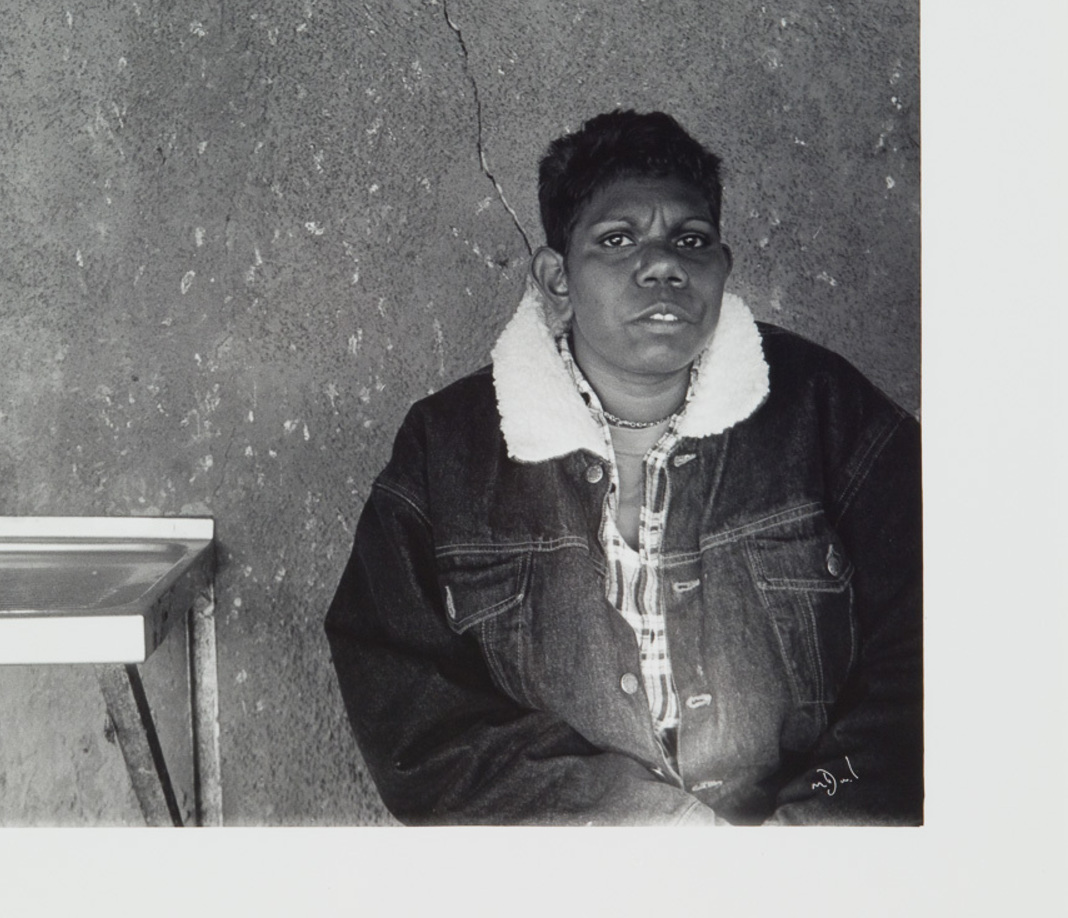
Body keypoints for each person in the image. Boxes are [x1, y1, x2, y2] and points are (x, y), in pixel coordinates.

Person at [324, 110, 922, 825]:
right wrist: (650, 833)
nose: (664, 264)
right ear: (557, 279)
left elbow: (934, 647)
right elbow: (410, 713)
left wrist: (807, 840)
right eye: (617, 239)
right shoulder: (447, 449)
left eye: (691, 240)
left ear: (723, 267)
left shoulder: (826, 412)